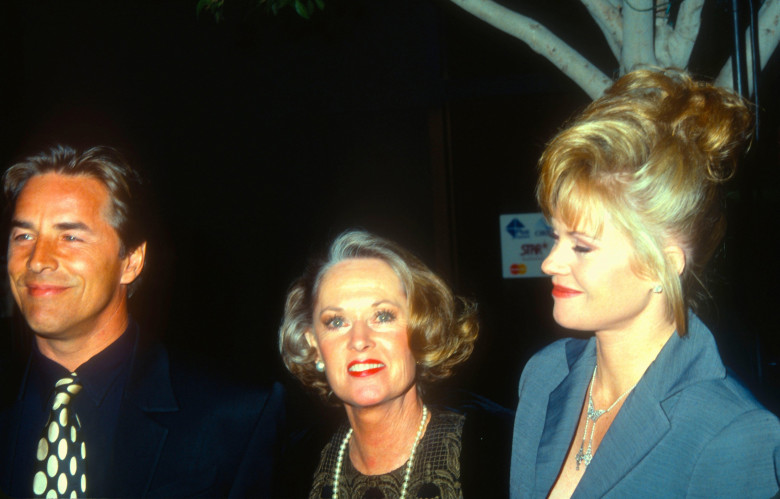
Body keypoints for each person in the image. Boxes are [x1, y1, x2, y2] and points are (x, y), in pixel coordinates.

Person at [509, 68, 780, 498]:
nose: (549, 263)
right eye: (554, 236)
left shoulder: (732, 433)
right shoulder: (543, 377)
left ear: (661, 266)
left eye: (582, 246)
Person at [0, 145, 285, 498]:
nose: (37, 260)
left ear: (131, 261)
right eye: (23, 235)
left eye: (70, 236)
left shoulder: (236, 417)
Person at [279, 230, 512, 498]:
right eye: (336, 322)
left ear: (422, 329)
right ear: (314, 346)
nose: (359, 340)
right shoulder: (293, 466)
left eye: (382, 316)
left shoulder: (498, 450)